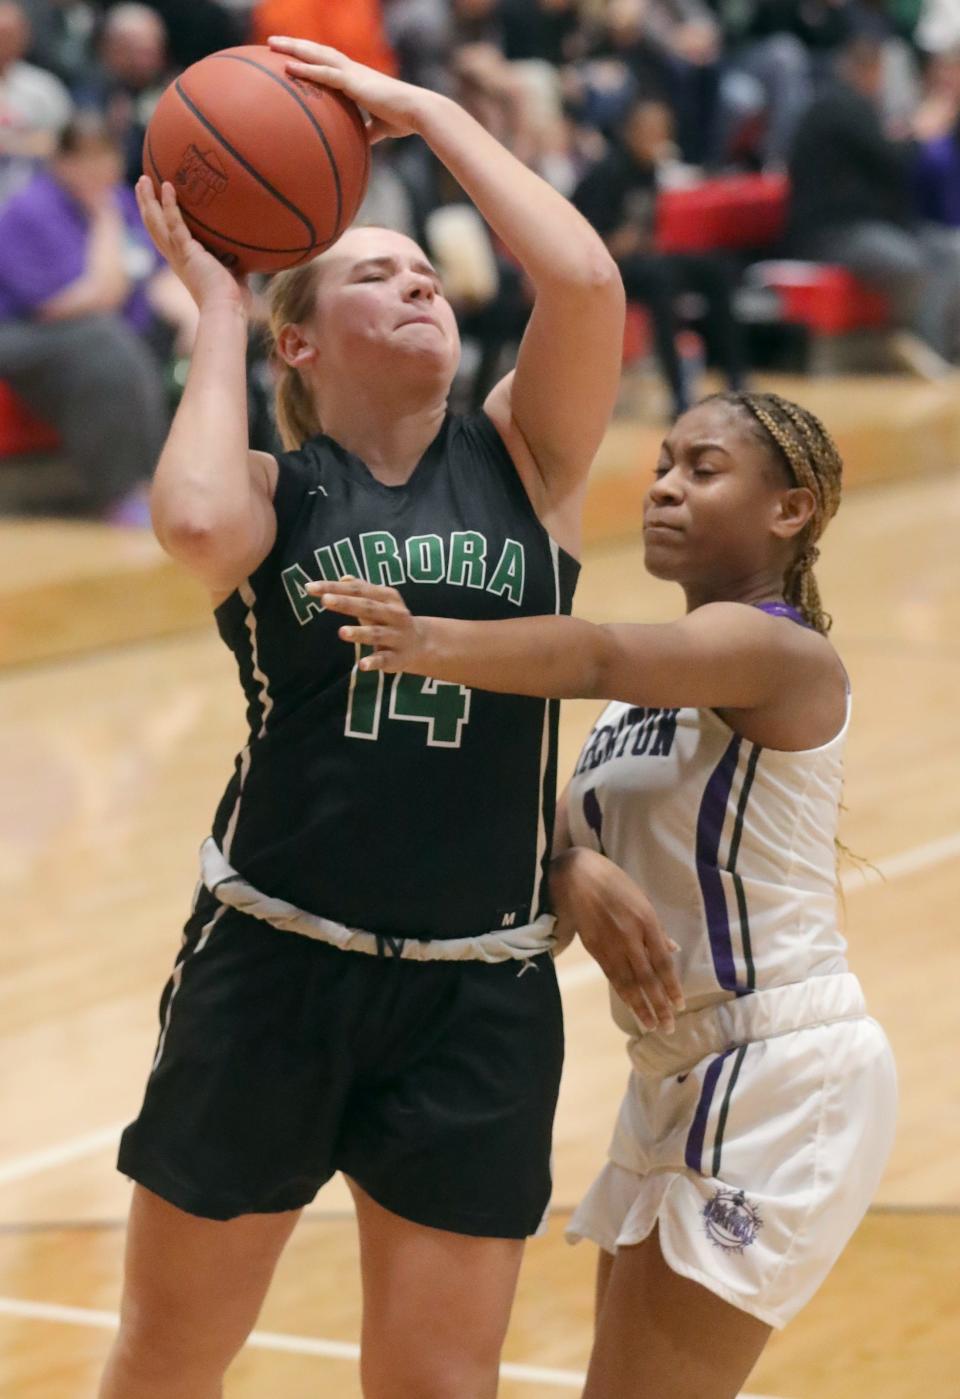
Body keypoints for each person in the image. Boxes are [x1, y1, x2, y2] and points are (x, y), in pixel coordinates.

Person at [98, 35, 624, 1399]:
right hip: (275, 965)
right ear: (299, 338)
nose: (418, 283)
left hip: (478, 985)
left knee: (442, 1384)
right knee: (168, 1357)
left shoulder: (529, 456)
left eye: (430, 273)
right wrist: (217, 309)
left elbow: (581, 278)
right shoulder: (278, 486)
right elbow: (196, 517)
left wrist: (430, 113)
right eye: (373, 273)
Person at [318, 389, 897, 1399]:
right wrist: (570, 868)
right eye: (663, 463)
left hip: (779, 1068)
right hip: (674, 1070)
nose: (665, 487)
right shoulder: (649, 699)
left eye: (702, 470)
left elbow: (593, 653)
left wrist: (427, 641)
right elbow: (539, 847)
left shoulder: (776, 652)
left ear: (790, 510)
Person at [0, 115, 184, 522]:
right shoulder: (30, 211)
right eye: (85, 160)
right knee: (106, 342)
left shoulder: (120, 199)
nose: (99, 170)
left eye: (106, 158)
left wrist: (198, 318)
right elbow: (92, 299)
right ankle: (123, 493)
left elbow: (158, 272)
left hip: (111, 331)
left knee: (224, 333)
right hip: (23, 336)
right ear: (60, 163)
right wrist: (105, 221)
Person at [574, 98, 748, 419]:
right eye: (652, 131)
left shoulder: (650, 170)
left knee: (715, 270)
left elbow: (648, 232)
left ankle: (735, 379)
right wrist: (620, 244)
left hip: (644, 262)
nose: (659, 139)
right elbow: (580, 241)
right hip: (602, 269)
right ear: (630, 132)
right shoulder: (607, 173)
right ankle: (679, 394)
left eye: (663, 132)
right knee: (661, 279)